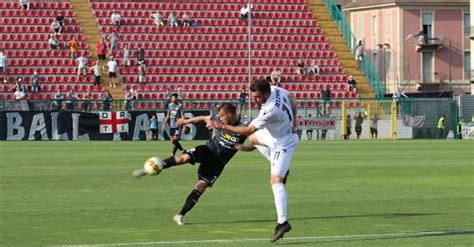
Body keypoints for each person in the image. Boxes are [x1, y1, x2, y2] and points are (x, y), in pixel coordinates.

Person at [206, 79, 299, 243]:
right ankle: (279, 165)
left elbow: (248, 129)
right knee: (253, 138)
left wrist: (221, 126)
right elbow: (291, 98)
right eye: (253, 96)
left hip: (284, 141)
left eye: (257, 97)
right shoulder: (276, 89)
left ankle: (283, 222)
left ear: (265, 93)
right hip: (273, 135)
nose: (254, 100)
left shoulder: (270, 109)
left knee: (275, 180)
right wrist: (295, 119)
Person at [133, 103, 249, 226]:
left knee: (201, 186)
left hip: (218, 162)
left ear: (230, 115)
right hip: (208, 149)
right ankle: (155, 167)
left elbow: (255, 138)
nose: (220, 119)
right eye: (219, 116)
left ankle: (180, 215)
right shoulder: (217, 119)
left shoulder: (245, 125)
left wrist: (247, 148)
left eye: (222, 116)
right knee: (183, 159)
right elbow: (203, 118)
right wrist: (185, 121)